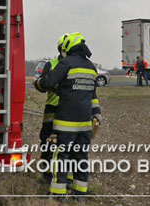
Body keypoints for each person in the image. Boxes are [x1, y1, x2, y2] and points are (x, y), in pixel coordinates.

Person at [35, 32, 101, 200]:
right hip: (85, 123)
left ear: (68, 47)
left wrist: (39, 83)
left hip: (66, 121)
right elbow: (92, 95)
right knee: (80, 156)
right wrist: (97, 113)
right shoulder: (91, 66)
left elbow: (48, 83)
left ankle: (58, 194)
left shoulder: (66, 63)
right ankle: (79, 195)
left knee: (61, 155)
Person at [34, 42, 63, 183]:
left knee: (64, 142)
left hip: (67, 109)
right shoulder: (51, 64)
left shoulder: (72, 65)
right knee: (47, 140)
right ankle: (46, 173)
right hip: (52, 107)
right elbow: (43, 85)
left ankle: (62, 174)